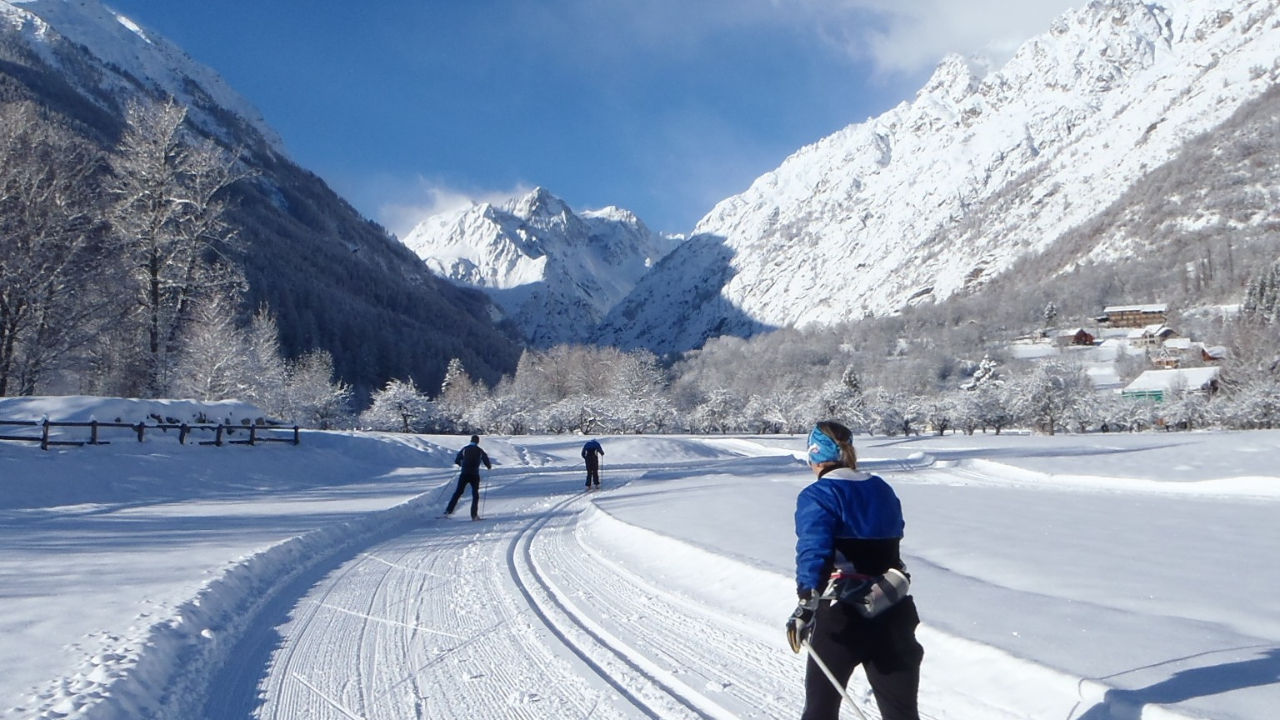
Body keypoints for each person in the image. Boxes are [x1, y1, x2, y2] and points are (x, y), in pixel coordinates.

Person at [786, 421, 923, 720]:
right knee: (902, 714)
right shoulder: (882, 489)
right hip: (893, 607)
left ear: (815, 456)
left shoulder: (818, 495)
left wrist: (805, 605)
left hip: (842, 616)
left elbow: (814, 551)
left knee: (820, 711)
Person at [444, 435, 491, 520]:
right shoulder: (480, 451)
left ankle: (448, 511)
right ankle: (474, 515)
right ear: (478, 442)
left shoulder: (465, 449)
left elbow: (457, 460)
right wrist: (488, 466)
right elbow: (486, 461)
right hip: (474, 475)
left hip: (464, 474)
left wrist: (462, 465)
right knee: (475, 494)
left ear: (471, 441)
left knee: (458, 492)